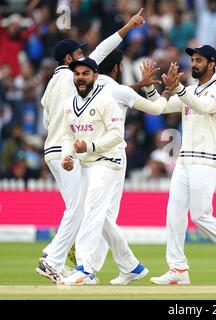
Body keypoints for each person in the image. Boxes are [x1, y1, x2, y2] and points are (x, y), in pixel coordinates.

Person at [36, 9, 146, 283]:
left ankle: (129, 265)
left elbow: (47, 117)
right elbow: (103, 49)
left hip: (53, 150)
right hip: (68, 151)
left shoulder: (53, 83)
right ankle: (53, 259)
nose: (84, 59)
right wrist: (127, 28)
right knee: (79, 208)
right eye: (79, 55)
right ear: (68, 59)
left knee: (83, 207)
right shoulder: (74, 76)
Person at [143, 45, 216, 285]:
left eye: (199, 60)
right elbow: (160, 107)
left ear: (212, 63)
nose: (193, 64)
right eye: (192, 59)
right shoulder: (191, 90)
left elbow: (202, 107)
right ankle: (178, 268)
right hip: (184, 159)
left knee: (201, 215)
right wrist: (151, 86)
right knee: (174, 213)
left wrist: (178, 88)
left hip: (206, 158)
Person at [88, 49, 179, 285]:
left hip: (91, 153)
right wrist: (167, 89)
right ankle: (124, 266)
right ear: (118, 68)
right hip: (112, 155)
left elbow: (121, 93)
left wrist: (139, 84)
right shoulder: (117, 90)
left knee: (99, 212)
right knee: (101, 212)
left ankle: (91, 268)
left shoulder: (89, 86)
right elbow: (157, 108)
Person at [56, 57, 147, 285]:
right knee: (103, 217)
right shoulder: (70, 103)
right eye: (77, 74)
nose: (80, 78)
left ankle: (85, 269)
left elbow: (117, 134)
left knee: (92, 211)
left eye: (85, 73)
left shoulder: (107, 99)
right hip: (87, 163)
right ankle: (131, 266)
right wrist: (67, 156)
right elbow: (68, 135)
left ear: (95, 75)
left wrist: (90, 146)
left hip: (108, 161)